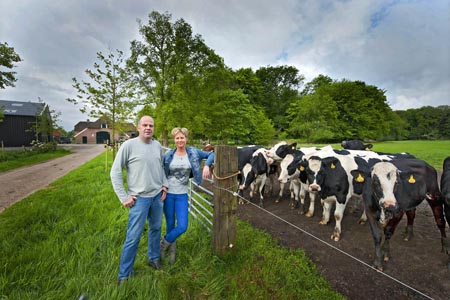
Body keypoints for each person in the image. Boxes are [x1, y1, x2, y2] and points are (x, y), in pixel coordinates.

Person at [110, 116, 168, 285]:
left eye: (151, 125)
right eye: (145, 125)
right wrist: (123, 197)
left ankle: (154, 258)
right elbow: (115, 172)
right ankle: (124, 275)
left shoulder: (157, 145)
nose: (148, 128)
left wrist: (164, 184)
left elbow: (161, 168)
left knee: (156, 229)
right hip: (139, 199)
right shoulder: (128, 146)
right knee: (133, 237)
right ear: (139, 127)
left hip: (157, 197)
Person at [161, 127, 214, 264]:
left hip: (182, 195)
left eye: (182, 137)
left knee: (183, 226)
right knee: (170, 224)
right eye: (177, 138)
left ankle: (163, 243)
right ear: (174, 140)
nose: (180, 140)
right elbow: (161, 172)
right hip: (168, 194)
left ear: (186, 138)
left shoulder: (194, 152)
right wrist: (162, 187)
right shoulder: (168, 155)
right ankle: (171, 254)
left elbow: (211, 154)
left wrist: (207, 165)